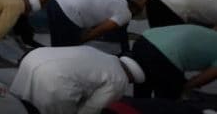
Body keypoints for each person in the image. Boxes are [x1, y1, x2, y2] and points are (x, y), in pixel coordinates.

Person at [10, 46, 145, 114]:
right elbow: (93, 108)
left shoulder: (104, 55)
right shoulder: (120, 79)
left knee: (19, 103)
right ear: (132, 78)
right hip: (55, 77)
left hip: (34, 56)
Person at [130, 24, 217, 99]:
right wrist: (184, 88)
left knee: (142, 89)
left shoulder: (211, 34)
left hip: (144, 40)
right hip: (165, 56)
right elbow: (203, 78)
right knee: (167, 101)